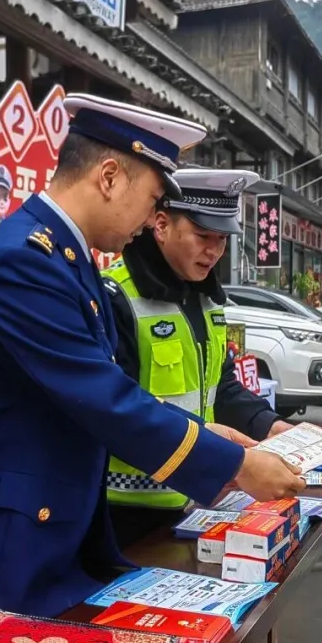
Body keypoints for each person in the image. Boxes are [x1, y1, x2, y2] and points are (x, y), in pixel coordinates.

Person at [0, 95, 305, 638]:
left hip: (47, 536)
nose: (149, 219)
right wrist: (234, 464)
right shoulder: (24, 262)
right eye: (152, 198)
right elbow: (102, 397)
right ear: (110, 176)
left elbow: (106, 390)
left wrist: (206, 432)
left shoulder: (67, 260)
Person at [102, 168, 292, 548]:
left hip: (198, 497)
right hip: (123, 512)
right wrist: (226, 457)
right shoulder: (114, 296)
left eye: (222, 239)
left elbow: (221, 388)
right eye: (203, 236)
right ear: (160, 224)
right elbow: (114, 407)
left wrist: (273, 428)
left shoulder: (207, 301)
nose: (214, 251)